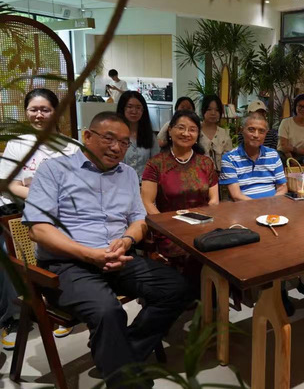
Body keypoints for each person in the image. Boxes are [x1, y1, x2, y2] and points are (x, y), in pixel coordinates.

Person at [22, 111, 190, 388]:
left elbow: (139, 220)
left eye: (124, 143)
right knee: (108, 312)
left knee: (177, 288)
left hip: (118, 257)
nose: (116, 148)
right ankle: (127, 380)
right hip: (67, 264)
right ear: (87, 136)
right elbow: (37, 229)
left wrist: (127, 240)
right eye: (109, 139)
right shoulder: (54, 170)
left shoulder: (128, 174)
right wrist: (89, 254)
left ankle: (119, 354)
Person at [220, 112, 304, 314]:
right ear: (242, 131)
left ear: (266, 134)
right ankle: (281, 289)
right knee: (275, 242)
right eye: (251, 129)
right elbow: (236, 195)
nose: (256, 134)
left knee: (301, 232)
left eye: (261, 131)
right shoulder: (230, 158)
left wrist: (272, 206)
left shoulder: (273, 155)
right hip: (246, 212)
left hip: (274, 208)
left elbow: (282, 187)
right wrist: (264, 208)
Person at [0, 88, 80, 348]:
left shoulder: (71, 146)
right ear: (26, 112)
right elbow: (9, 185)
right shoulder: (17, 144)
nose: (39, 115)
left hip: (61, 213)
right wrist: (43, 195)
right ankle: (13, 317)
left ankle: (63, 304)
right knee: (10, 254)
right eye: (33, 109)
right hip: (22, 213)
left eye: (45, 109)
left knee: (71, 246)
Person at [141, 110, 219, 262]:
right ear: (170, 130)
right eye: (181, 128)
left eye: (192, 129)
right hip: (169, 232)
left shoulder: (206, 163)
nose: (186, 133)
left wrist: (205, 226)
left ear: (197, 135)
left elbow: (214, 200)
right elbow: (147, 202)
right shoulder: (156, 164)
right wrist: (167, 228)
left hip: (203, 229)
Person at [116, 91, 160, 181]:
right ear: (122, 108)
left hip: (145, 184)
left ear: (143, 111)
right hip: (119, 183)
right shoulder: (115, 135)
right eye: (130, 107)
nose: (134, 111)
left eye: (138, 107)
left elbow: (157, 164)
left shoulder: (150, 136)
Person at [278, 93, 304, 166]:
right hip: (283, 157)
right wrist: (294, 163)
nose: (302, 109)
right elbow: (284, 147)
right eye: (300, 106)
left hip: (301, 158)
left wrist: (293, 149)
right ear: (295, 107)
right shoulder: (286, 122)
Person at [200, 94, 233, 172]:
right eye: (209, 109)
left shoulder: (224, 134)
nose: (213, 113)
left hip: (221, 176)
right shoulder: (195, 131)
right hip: (199, 175)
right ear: (203, 110)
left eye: (217, 110)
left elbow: (229, 159)